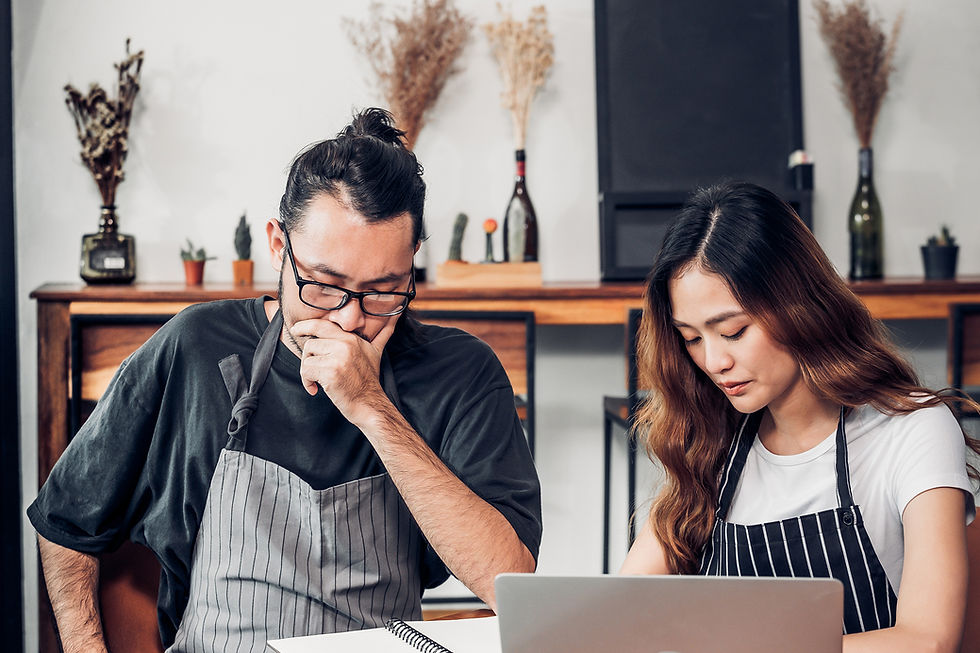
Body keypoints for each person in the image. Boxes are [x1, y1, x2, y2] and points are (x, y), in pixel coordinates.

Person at [29, 108, 542, 653]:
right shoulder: (198, 345)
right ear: (278, 245)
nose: (349, 319)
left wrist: (373, 409)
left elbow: (506, 578)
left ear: (413, 260)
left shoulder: (460, 372)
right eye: (324, 284)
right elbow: (64, 519)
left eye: (383, 290)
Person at [620, 181, 979, 651]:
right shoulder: (715, 445)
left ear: (799, 306)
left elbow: (928, 640)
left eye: (733, 331)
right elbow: (624, 608)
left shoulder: (914, 430)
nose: (712, 361)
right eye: (691, 338)